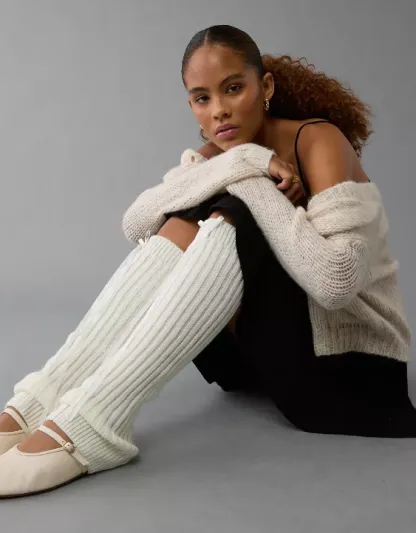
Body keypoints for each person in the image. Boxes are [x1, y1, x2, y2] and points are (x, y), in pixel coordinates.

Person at [0, 24, 413, 499]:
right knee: (191, 208)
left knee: (236, 207)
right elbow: (139, 222)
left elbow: (336, 282)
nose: (218, 110)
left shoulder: (317, 140)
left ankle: (96, 420)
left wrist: (248, 182)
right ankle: (46, 397)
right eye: (202, 98)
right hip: (260, 360)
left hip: (347, 369)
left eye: (233, 88)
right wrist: (245, 163)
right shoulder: (226, 154)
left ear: (266, 86)